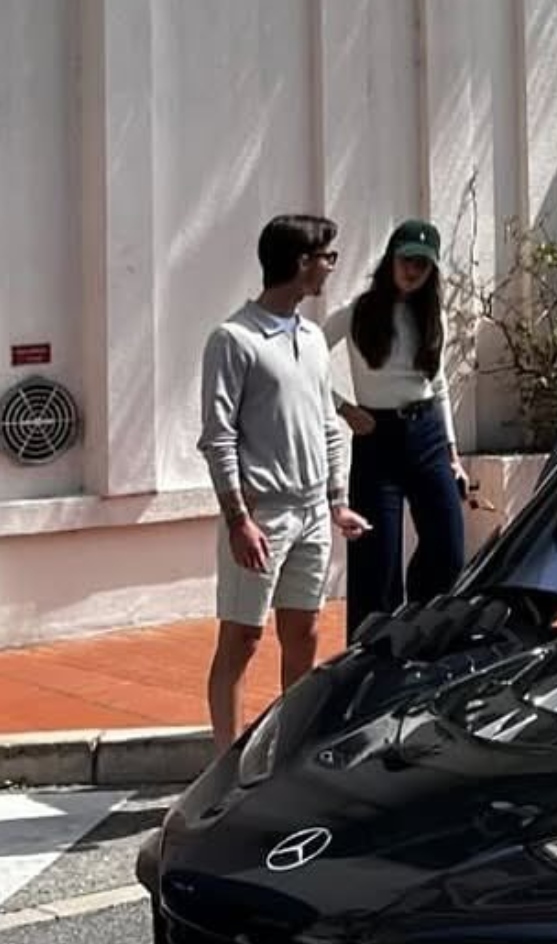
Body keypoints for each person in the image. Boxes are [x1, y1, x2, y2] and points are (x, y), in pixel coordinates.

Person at [198, 214, 371, 755]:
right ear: (301, 263)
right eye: (327, 256)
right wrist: (238, 520)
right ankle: (224, 764)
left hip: (312, 513)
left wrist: (337, 502)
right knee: (243, 638)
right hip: (261, 514)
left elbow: (326, 423)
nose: (330, 267)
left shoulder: (314, 338)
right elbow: (218, 435)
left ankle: (292, 756)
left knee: (306, 635)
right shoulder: (233, 339)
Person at [323, 219, 469, 638]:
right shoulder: (358, 312)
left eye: (422, 265)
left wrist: (453, 455)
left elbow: (437, 384)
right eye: (406, 261)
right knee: (376, 561)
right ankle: (371, 657)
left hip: (427, 436)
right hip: (376, 437)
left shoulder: (430, 315)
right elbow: (305, 361)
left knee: (448, 548)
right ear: (391, 259)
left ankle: (422, 635)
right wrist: (344, 408)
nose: (412, 271)